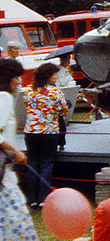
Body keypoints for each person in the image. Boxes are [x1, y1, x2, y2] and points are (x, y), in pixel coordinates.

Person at [0, 58, 36, 241]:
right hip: (4, 180)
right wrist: (16, 153)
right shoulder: (4, 98)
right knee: (21, 229)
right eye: (17, 76)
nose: (19, 81)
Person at [23, 62, 70, 208]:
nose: (56, 76)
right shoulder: (55, 92)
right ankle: (43, 197)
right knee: (46, 164)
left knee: (33, 163)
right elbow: (63, 110)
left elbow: (27, 105)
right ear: (49, 76)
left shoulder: (29, 91)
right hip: (49, 131)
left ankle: (31, 198)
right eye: (55, 74)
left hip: (31, 131)